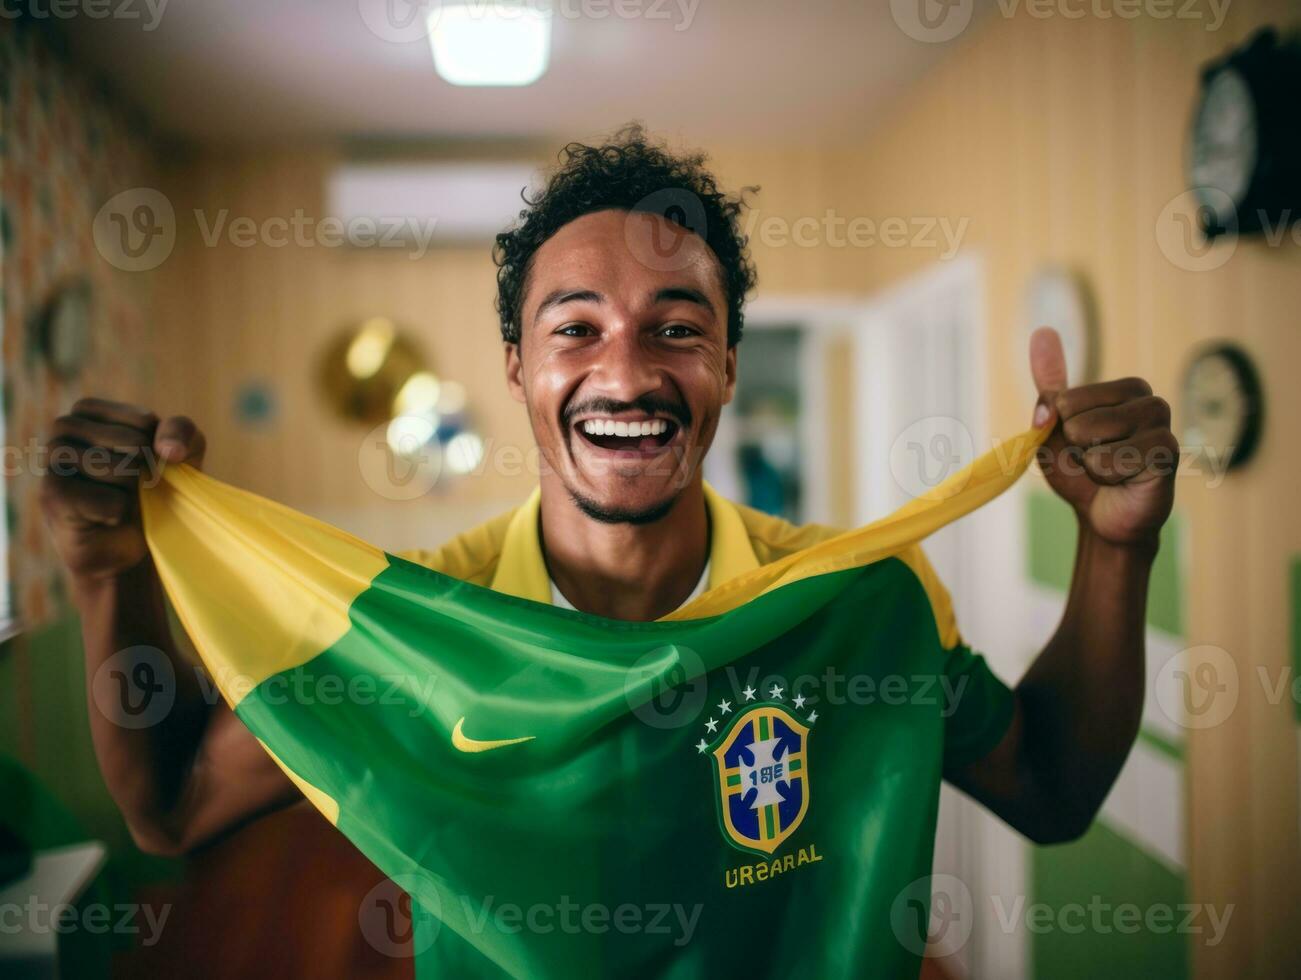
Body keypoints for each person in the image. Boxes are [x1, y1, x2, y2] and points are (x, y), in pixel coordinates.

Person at [42, 125, 1178, 974]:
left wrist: (1115, 549)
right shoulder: (418, 627)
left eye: (676, 327)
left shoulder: (853, 604)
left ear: (727, 366)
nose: (626, 373)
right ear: (516, 369)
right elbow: (172, 806)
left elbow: (1046, 786)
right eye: (574, 327)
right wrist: (108, 572)